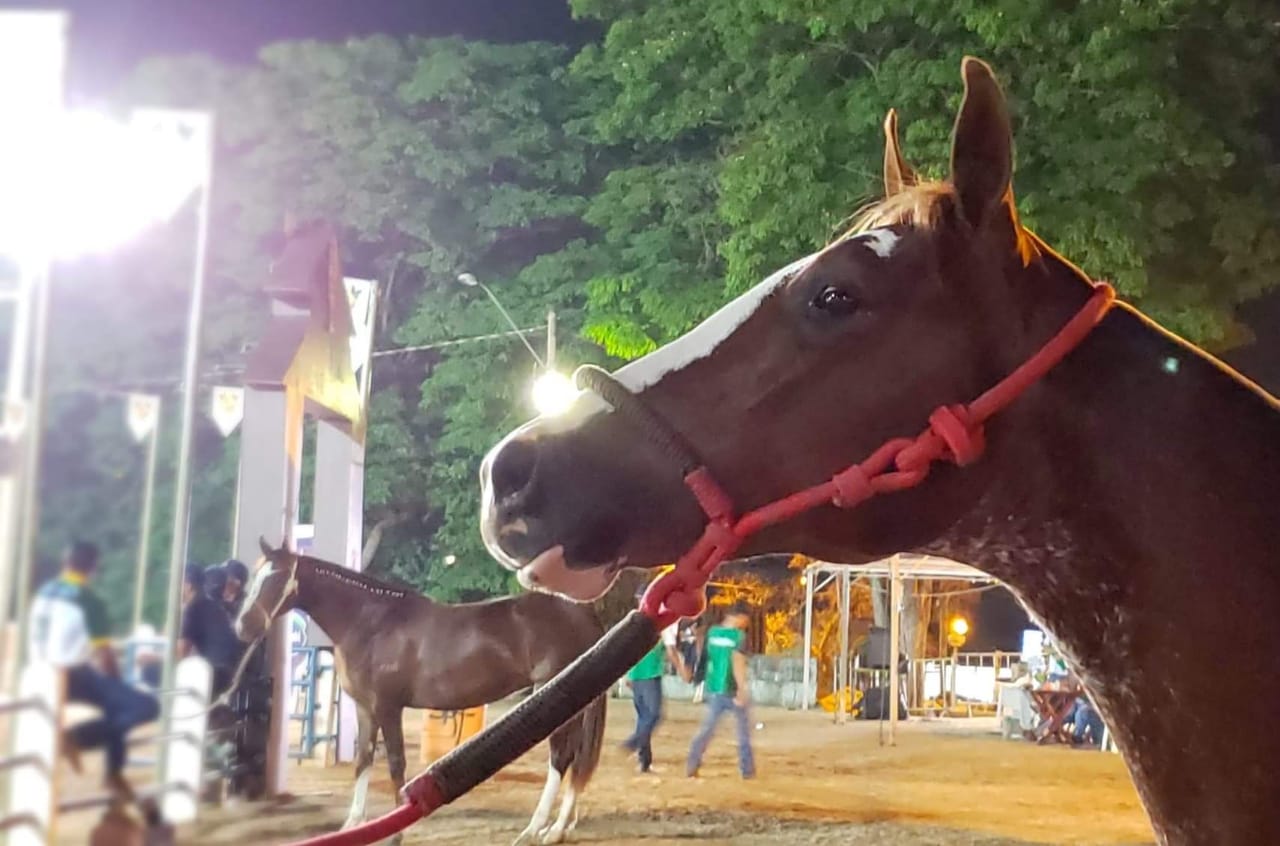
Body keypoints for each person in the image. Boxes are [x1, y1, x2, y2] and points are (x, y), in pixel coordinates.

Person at [27, 541, 160, 800]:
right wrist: (120, 686)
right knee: (144, 706)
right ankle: (77, 740)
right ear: (93, 568)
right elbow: (107, 657)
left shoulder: (44, 593)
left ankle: (111, 771)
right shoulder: (90, 602)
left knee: (116, 710)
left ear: (66, 564)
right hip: (74, 676)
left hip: (40, 674)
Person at [686, 603, 756, 779]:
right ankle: (747, 770)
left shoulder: (712, 633)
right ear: (739, 617)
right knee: (743, 733)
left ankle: (693, 762)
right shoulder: (738, 636)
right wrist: (741, 689)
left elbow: (704, 658)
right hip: (731, 689)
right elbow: (737, 661)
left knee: (707, 729)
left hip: (714, 687)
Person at [621, 603, 687, 774]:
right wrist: (682, 670)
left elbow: (626, 649)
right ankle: (633, 742)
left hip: (636, 674)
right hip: (650, 674)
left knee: (644, 717)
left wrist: (626, 674)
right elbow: (671, 650)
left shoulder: (637, 620)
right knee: (654, 715)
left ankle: (644, 762)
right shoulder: (666, 621)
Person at [179, 564, 243, 697]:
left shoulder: (194, 608)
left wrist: (152, 656)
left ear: (188, 585)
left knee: (154, 672)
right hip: (227, 673)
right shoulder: (211, 605)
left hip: (212, 674)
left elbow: (180, 652)